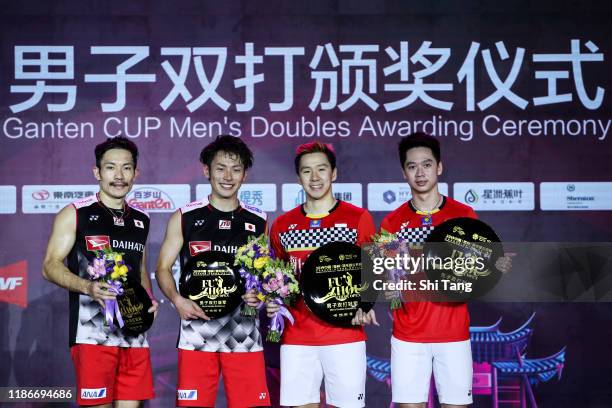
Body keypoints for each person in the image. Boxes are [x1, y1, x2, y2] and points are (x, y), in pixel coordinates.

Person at [380, 132, 513, 408]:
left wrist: (494, 266)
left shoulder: (463, 215)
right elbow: (388, 286)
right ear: (403, 172)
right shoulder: (392, 223)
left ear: (439, 167)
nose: (420, 172)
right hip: (408, 336)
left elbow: (477, 271)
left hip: (453, 334)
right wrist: (390, 284)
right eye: (412, 166)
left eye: (427, 164)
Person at [156, 135, 270, 408]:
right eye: (220, 168)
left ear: (245, 174)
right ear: (206, 170)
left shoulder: (258, 219)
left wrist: (262, 295)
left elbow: (265, 274)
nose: (228, 176)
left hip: (244, 334)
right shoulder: (185, 217)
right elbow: (162, 269)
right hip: (197, 334)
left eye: (236, 169)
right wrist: (177, 300)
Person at [42, 136, 157, 407]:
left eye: (126, 168)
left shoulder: (142, 219)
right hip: (92, 334)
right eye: (110, 167)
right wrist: (88, 287)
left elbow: (140, 268)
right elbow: (50, 266)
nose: (119, 176)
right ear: (97, 172)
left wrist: (148, 301)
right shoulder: (75, 213)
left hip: (134, 333)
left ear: (136, 173)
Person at [267, 142, 377, 408]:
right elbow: (277, 278)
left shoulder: (358, 218)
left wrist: (365, 304)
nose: (314, 178)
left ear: (334, 173)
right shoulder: (282, 225)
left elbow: (374, 272)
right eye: (307, 171)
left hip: (345, 335)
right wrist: (273, 301)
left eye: (321, 169)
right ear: (298, 177)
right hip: (297, 337)